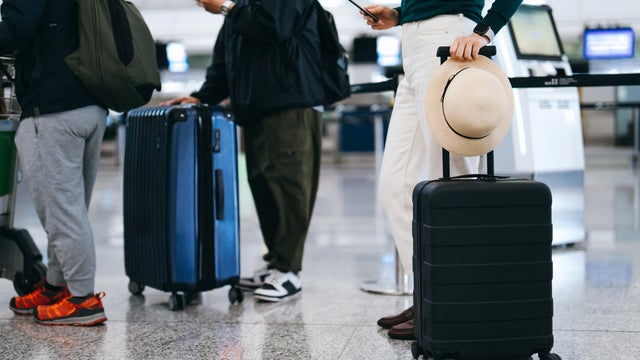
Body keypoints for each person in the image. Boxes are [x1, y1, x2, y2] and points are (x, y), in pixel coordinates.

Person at [361, 0, 523, 340]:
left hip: (452, 38)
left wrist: (486, 28)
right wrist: (400, 13)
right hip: (413, 46)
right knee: (396, 186)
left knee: (454, 186)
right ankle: (431, 296)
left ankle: (455, 303)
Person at [160, 0, 325, 302]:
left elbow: (275, 26)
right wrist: (201, 97)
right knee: (263, 183)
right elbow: (226, 62)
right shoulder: (242, 9)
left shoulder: (245, 9)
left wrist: (226, 8)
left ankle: (289, 270)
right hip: (256, 110)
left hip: (291, 106)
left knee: (288, 187)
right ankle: (276, 261)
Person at [2, 0, 108, 325]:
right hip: (92, 105)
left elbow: (17, 27)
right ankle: (56, 286)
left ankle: (83, 299)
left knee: (62, 213)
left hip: (54, 111)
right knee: (70, 209)